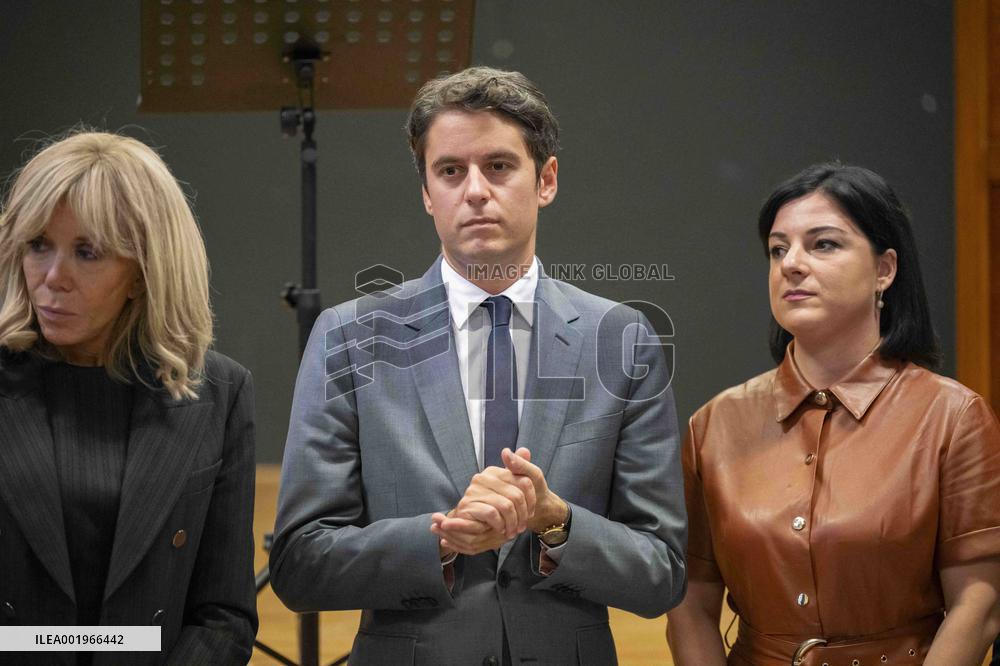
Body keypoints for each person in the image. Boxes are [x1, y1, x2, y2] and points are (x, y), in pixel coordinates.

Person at [270, 66, 686, 665]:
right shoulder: (348, 337)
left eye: (498, 166)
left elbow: (663, 573)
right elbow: (299, 566)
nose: (474, 190)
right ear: (426, 192)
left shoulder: (623, 339)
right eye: (450, 170)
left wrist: (554, 521)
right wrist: (438, 541)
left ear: (546, 180)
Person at [665, 162, 1000, 665]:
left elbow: (979, 604)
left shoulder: (953, 418)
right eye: (779, 249)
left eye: (823, 244)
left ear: (884, 269)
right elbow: (690, 602)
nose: (791, 264)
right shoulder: (715, 424)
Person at [0, 132, 258, 665]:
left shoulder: (221, 393)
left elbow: (223, 616)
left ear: (142, 273)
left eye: (87, 253)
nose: (52, 278)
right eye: (38, 245)